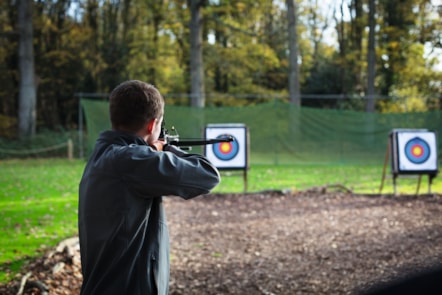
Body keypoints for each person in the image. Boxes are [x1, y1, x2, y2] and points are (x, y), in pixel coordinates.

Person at [78, 80, 220, 295]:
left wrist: (157, 150)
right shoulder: (132, 159)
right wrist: (167, 148)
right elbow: (207, 175)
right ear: (152, 125)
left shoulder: (106, 154)